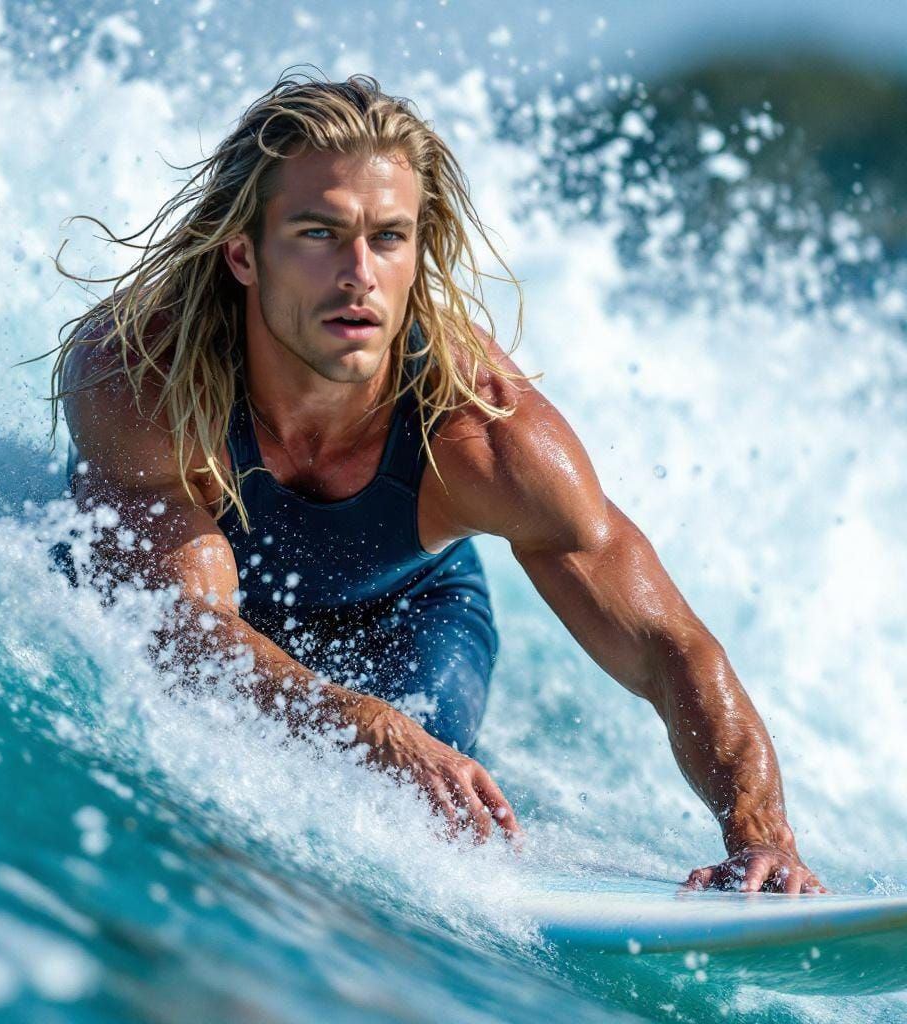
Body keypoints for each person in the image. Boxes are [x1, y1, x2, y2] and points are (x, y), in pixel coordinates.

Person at [48, 72, 823, 892]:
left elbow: (668, 646)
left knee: (410, 809)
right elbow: (176, 627)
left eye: (388, 237)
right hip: (180, 602)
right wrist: (367, 726)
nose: (359, 273)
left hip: (406, 616)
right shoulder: (141, 379)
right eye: (319, 233)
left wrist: (759, 834)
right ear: (243, 253)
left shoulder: (484, 436)